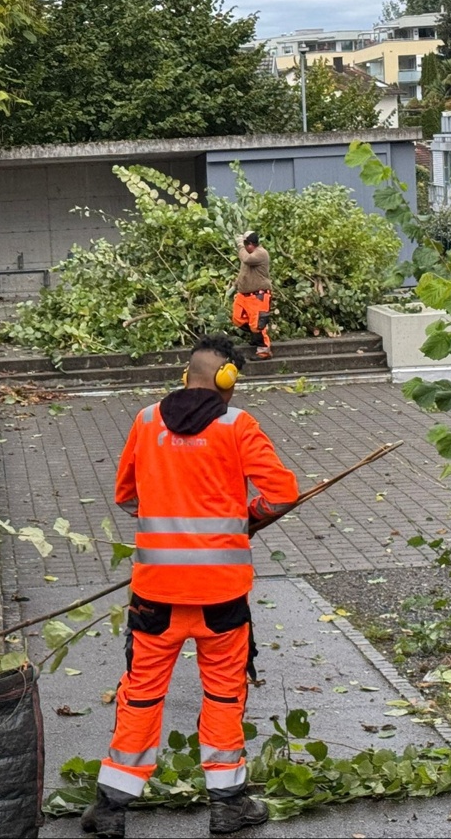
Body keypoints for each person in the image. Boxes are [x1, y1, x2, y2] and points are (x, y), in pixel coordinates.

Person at [81, 333, 300, 838]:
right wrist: (248, 518)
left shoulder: (146, 421)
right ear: (228, 380)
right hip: (221, 597)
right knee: (223, 697)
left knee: (140, 695)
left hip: (155, 595)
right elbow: (282, 494)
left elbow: (126, 496)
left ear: (186, 375)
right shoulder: (237, 425)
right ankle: (228, 806)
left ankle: (111, 808)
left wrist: (166, 510)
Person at [231, 230, 273, 360]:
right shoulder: (248, 254)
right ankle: (256, 337)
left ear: (250, 244)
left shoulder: (260, 253)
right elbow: (244, 272)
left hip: (258, 296)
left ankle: (264, 350)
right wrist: (236, 284)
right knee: (237, 319)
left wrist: (240, 245)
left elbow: (246, 259)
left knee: (257, 324)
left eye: (245, 244)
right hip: (244, 295)